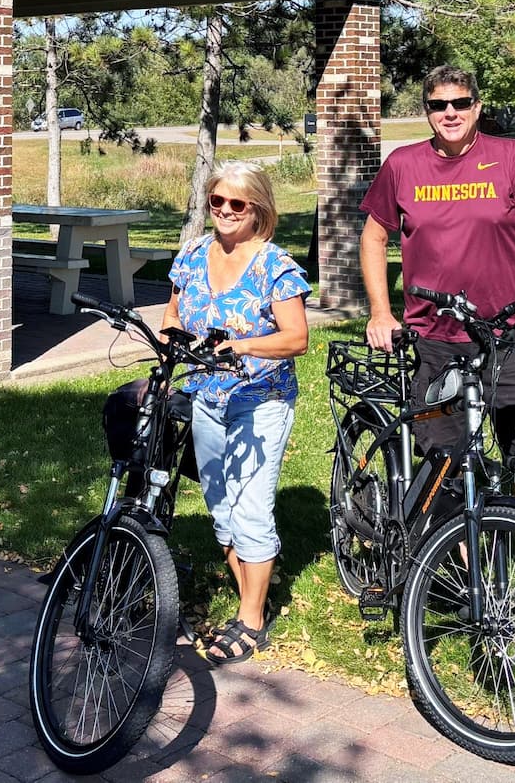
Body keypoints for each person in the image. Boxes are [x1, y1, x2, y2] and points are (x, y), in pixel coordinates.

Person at [359, 66, 515, 623]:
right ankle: (458, 565)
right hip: (435, 340)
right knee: (443, 462)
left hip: (505, 336)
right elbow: (374, 237)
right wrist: (381, 311)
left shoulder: (512, 157)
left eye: (460, 102)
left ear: (477, 106)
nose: (449, 112)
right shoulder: (403, 165)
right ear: (426, 109)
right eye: (437, 104)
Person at [162, 160, 310, 664]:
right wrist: (169, 343)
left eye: (236, 204)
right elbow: (172, 316)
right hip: (206, 395)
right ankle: (251, 586)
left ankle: (251, 619)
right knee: (221, 506)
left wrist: (244, 347)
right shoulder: (192, 255)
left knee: (250, 508)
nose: (224, 211)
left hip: (260, 400)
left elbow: (297, 338)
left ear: (258, 209)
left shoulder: (276, 266)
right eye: (216, 202)